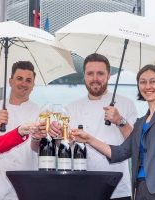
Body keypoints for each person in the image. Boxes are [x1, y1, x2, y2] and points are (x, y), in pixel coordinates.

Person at [71, 64, 155, 200]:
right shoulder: (140, 123)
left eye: (153, 81)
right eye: (142, 82)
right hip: (140, 190)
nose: (147, 86)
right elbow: (119, 152)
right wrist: (88, 139)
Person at [49, 53, 138, 199]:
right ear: (84, 76)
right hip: (81, 186)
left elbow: (135, 143)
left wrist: (120, 120)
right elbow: (63, 145)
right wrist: (57, 136)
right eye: (90, 73)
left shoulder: (126, 104)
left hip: (118, 189)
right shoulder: (71, 108)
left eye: (100, 73)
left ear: (109, 75)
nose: (95, 78)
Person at [0, 61, 41, 200]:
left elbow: (38, 149)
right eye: (19, 78)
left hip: (26, 187)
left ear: (33, 85)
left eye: (28, 80)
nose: (23, 84)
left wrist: (37, 138)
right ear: (10, 81)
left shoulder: (40, 112)